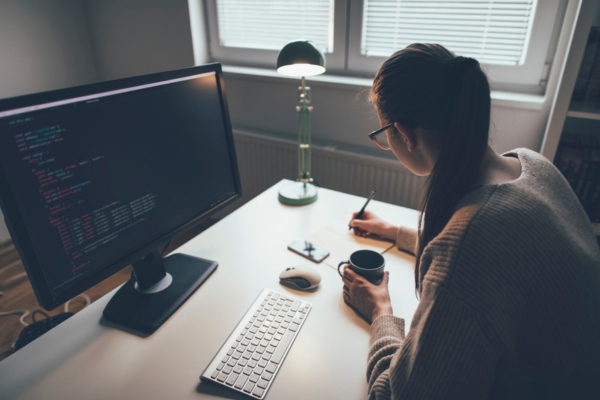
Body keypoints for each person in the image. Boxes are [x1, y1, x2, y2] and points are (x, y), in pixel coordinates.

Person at [342, 43, 600, 399]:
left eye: (384, 134)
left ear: (404, 133)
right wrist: (394, 232)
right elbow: (503, 257)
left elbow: (396, 395)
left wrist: (380, 311)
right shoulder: (532, 165)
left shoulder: (471, 244)